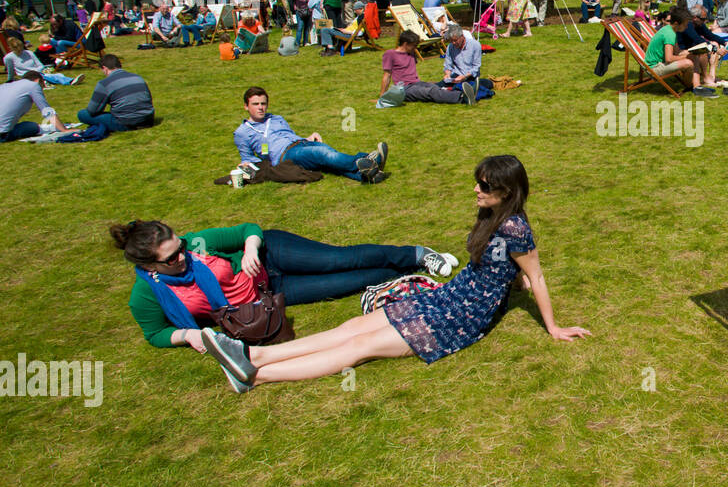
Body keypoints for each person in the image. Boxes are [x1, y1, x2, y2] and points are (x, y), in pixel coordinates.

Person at [195, 155, 590, 392]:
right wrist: (513, 275)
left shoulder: (516, 227)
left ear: (507, 191)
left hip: (464, 316)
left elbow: (535, 275)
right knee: (354, 325)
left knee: (361, 346)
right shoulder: (491, 213)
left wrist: (553, 328)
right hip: (450, 295)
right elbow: (513, 267)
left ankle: (254, 377)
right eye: (477, 181)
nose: (475, 188)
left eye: (484, 185)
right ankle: (256, 354)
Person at [112, 219, 458, 352]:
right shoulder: (145, 295)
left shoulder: (198, 243)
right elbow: (154, 333)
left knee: (338, 260)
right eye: (172, 258)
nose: (183, 257)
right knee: (349, 283)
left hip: (271, 256)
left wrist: (249, 248)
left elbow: (248, 228)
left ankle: (416, 254)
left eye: (181, 246)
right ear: (149, 266)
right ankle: (403, 278)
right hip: (268, 299)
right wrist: (187, 334)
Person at [234, 86, 391, 184]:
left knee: (330, 160)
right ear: (246, 106)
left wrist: (309, 137)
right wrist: (246, 165)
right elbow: (247, 158)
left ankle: (367, 176)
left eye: (263, 103)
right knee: (323, 153)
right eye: (255, 104)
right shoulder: (243, 132)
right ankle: (369, 160)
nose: (261, 108)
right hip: (285, 154)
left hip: (300, 143)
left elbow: (290, 135)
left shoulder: (276, 118)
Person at [379, 30, 464, 105]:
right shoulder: (390, 54)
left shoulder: (411, 53)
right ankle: (462, 98)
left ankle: (465, 91)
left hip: (416, 83)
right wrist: (382, 97)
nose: (416, 48)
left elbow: (411, 75)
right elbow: (387, 76)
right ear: (405, 44)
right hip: (404, 88)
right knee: (430, 92)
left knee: (436, 86)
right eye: (414, 45)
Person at [78, 54, 154, 132]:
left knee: (82, 114)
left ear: (105, 68)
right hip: (148, 119)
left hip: (126, 122)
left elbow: (92, 110)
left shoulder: (104, 84)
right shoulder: (138, 77)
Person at [0, 72, 67, 141]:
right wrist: (63, 130)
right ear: (38, 80)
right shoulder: (33, 86)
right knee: (32, 126)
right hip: (3, 134)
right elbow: (46, 110)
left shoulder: (4, 86)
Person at [4, 35, 82, 86]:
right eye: (17, 49)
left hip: (37, 72)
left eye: (21, 48)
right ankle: (70, 81)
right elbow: (10, 72)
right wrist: (10, 81)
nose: (20, 51)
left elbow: (40, 65)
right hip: (25, 76)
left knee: (53, 76)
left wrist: (36, 70)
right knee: (50, 77)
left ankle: (70, 80)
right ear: (10, 48)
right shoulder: (9, 58)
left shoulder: (29, 53)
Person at [439, 24, 482, 105]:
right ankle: (464, 95)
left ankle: (464, 93)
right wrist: (447, 74)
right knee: (438, 87)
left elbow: (476, 67)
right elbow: (448, 65)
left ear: (462, 36)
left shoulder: (475, 45)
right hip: (456, 76)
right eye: (451, 41)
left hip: (470, 77)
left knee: (483, 86)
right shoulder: (450, 47)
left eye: (455, 40)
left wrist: (464, 76)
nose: (453, 43)